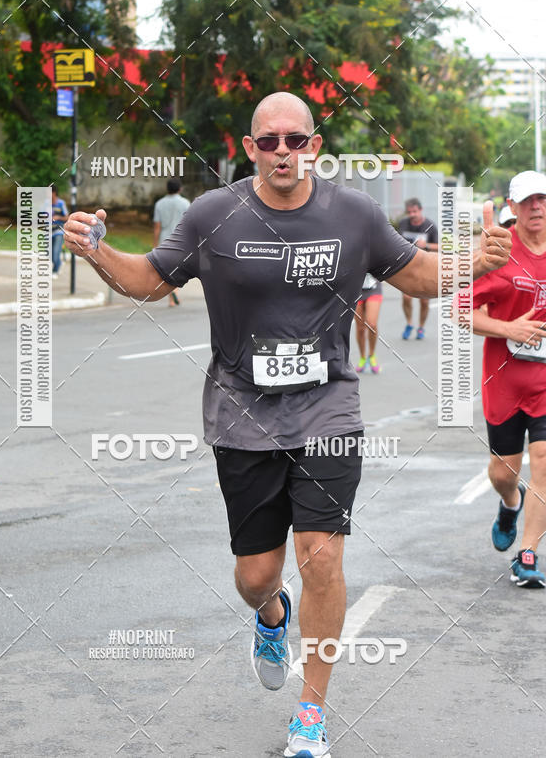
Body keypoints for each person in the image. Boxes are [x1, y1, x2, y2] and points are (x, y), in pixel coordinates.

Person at [63, 92, 511, 757]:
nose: (281, 151)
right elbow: (152, 280)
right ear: (250, 149)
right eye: (268, 140)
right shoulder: (215, 214)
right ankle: (272, 616)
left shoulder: (353, 213)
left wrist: (471, 262)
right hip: (240, 417)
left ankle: (312, 713)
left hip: (327, 407)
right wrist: (98, 252)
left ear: (314, 146)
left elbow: (415, 272)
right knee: (255, 575)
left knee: (322, 557)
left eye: (294, 140)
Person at [471, 170, 546, 589]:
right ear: (512, 209)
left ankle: (528, 552)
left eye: (543, 199)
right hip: (504, 382)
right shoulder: (498, 252)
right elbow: (461, 312)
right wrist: (509, 329)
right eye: (528, 201)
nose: (537, 207)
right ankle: (509, 503)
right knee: (503, 473)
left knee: (545, 463)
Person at [397, 198, 439, 340]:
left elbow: (441, 247)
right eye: (409, 212)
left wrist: (426, 245)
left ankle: (421, 327)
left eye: (415, 211)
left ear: (420, 210)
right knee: (407, 298)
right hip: (407, 267)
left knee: (424, 301)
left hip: (425, 267)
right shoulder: (403, 224)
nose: (412, 214)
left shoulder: (430, 226)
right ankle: (409, 324)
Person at [152, 178, 190, 306]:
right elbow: (189, 224)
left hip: (165, 239)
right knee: (177, 269)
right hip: (180, 240)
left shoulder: (159, 204)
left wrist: (155, 244)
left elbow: (157, 226)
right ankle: (175, 292)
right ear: (180, 189)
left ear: (167, 189)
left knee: (167, 270)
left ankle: (171, 298)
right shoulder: (185, 203)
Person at [354, 273, 383, 374]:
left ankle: (371, 355)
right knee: (360, 328)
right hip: (355, 289)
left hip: (373, 287)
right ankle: (362, 357)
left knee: (372, 324)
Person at [51, 186, 68, 278]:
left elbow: (67, 217)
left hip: (59, 231)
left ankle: (55, 271)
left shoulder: (61, 203)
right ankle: (60, 263)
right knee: (48, 253)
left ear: (54, 193)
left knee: (55, 253)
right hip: (49, 231)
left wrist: (58, 217)